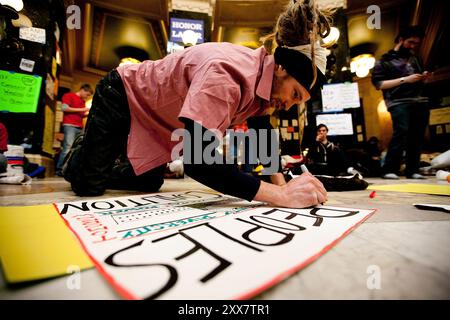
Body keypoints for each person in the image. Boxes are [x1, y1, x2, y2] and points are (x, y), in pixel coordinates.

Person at [63, 0, 329, 208]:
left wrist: (281, 182)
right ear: (282, 68)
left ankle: (101, 152)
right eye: (295, 94)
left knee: (149, 181)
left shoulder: (266, 86)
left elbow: (262, 133)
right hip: (123, 93)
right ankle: (82, 153)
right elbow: (199, 162)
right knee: (88, 185)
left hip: (158, 120)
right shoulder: (227, 74)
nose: (290, 105)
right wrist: (279, 195)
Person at [371, 26, 430, 179]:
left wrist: (423, 77)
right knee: (401, 132)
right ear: (400, 40)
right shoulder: (384, 60)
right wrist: (405, 80)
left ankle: (413, 170)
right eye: (410, 42)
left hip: (419, 99)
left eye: (416, 43)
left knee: (417, 135)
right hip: (398, 101)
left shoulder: (416, 58)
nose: (413, 46)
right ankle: (390, 169)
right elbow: (379, 84)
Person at [55, 84, 93, 176]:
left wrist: (89, 113)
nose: (87, 97)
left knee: (76, 149)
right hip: (69, 125)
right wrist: (83, 109)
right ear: (82, 90)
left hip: (79, 127)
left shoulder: (82, 101)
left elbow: (80, 114)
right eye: (87, 94)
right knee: (67, 148)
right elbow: (64, 108)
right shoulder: (69, 95)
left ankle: (68, 170)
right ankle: (59, 170)